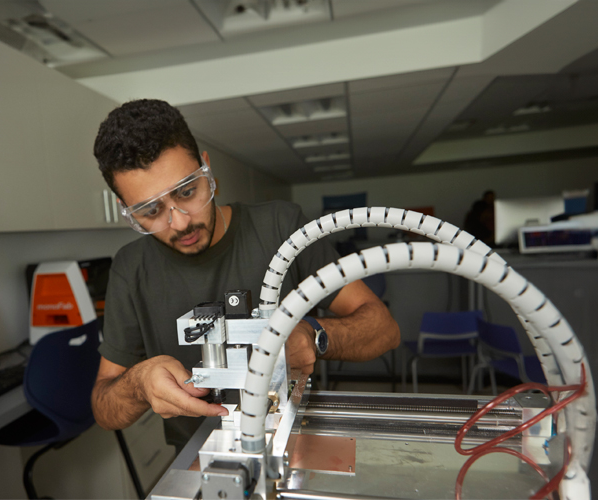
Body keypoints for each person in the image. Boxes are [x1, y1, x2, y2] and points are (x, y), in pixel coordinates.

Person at [87, 99, 400, 446]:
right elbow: (103, 408)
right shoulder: (131, 268)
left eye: (187, 192)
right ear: (126, 209)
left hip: (294, 440)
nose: (180, 222)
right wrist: (138, 385)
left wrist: (313, 336)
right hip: (200, 454)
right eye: (150, 211)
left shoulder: (281, 228)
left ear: (206, 168)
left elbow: (383, 328)